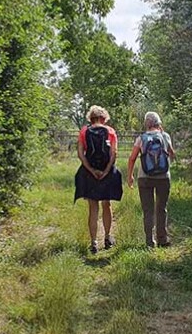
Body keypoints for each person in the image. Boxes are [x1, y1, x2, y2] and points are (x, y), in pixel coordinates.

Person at [74, 105, 123, 254]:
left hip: (89, 174)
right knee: (106, 204)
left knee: (92, 207)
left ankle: (94, 242)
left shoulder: (84, 131)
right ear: (104, 118)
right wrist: (106, 171)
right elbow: (114, 153)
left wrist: (91, 170)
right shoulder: (110, 131)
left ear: (91, 117)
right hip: (107, 173)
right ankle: (108, 238)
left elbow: (81, 154)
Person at [127, 111, 176, 248]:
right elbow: (172, 154)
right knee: (161, 208)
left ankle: (149, 241)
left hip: (145, 178)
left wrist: (130, 176)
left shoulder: (141, 138)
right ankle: (162, 239)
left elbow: (132, 158)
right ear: (159, 123)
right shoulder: (165, 136)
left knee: (148, 210)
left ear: (146, 124)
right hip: (163, 178)